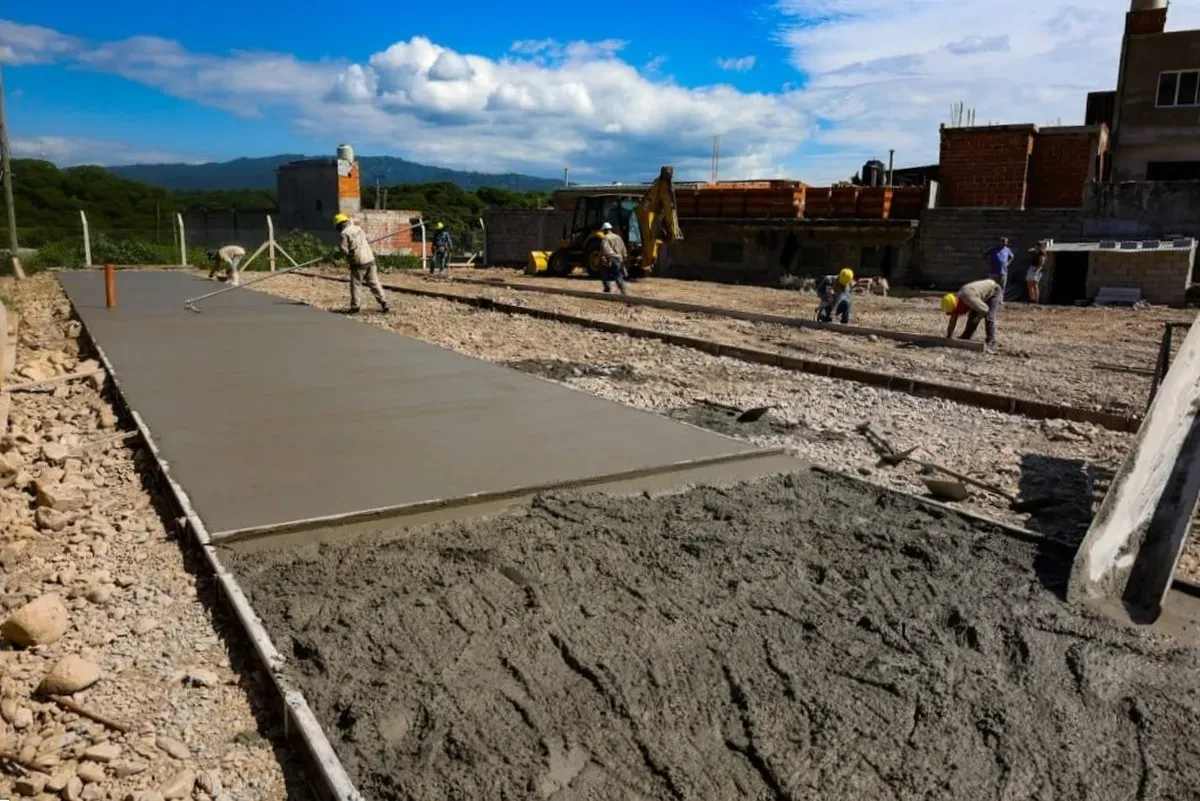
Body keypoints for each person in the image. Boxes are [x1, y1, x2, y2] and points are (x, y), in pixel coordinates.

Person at [334, 213, 389, 314]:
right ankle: (384, 302)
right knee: (374, 283)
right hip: (370, 259)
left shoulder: (344, 234)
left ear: (340, 225)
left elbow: (344, 250)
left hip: (359, 262)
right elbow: (364, 239)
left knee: (356, 285)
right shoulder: (358, 229)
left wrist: (337, 255)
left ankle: (355, 307)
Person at [943, 278, 1002, 351]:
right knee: (972, 315)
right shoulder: (956, 300)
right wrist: (949, 335)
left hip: (993, 291)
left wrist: (976, 319)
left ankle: (991, 341)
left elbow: (985, 310)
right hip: (978, 295)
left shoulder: (968, 298)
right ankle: (966, 337)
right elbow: (953, 318)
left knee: (989, 316)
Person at [598, 222, 628, 295]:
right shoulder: (618, 237)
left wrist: (606, 259)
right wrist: (623, 258)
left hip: (612, 259)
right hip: (619, 259)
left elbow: (606, 250)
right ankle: (623, 291)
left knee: (604, 271)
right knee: (618, 275)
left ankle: (607, 288)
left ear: (604, 230)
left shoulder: (605, 238)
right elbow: (623, 248)